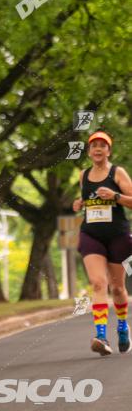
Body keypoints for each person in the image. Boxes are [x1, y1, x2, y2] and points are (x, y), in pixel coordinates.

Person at [73, 130, 132, 355]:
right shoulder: (83, 175)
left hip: (118, 236)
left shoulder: (118, 173)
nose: (98, 149)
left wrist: (116, 196)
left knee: (117, 288)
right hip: (91, 235)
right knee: (98, 283)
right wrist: (79, 204)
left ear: (109, 150)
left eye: (102, 145)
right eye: (93, 145)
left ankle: (122, 326)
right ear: (89, 152)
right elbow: (88, 200)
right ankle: (101, 336)